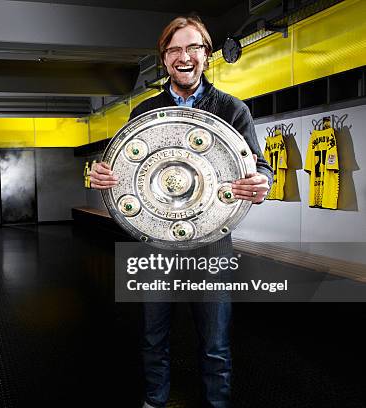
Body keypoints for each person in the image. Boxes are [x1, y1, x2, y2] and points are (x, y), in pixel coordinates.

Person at [89, 16, 273, 408]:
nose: (183, 56)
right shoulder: (146, 111)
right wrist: (104, 176)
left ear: (207, 55)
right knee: (153, 336)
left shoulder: (231, 110)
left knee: (216, 343)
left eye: (192, 48)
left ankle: (216, 404)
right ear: (164, 59)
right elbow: (121, 170)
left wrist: (262, 182)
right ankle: (155, 401)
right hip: (154, 242)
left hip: (212, 244)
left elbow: (259, 166)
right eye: (174, 50)